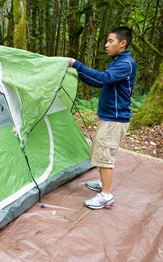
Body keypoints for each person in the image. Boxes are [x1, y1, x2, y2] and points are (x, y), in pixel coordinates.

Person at [68, 26, 137, 209]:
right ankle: (102, 184)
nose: (106, 45)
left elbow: (102, 78)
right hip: (109, 118)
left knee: (105, 155)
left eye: (110, 41)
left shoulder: (126, 63)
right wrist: (78, 73)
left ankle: (106, 195)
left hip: (115, 120)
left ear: (122, 43)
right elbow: (98, 81)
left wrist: (77, 64)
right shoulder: (117, 61)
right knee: (102, 151)